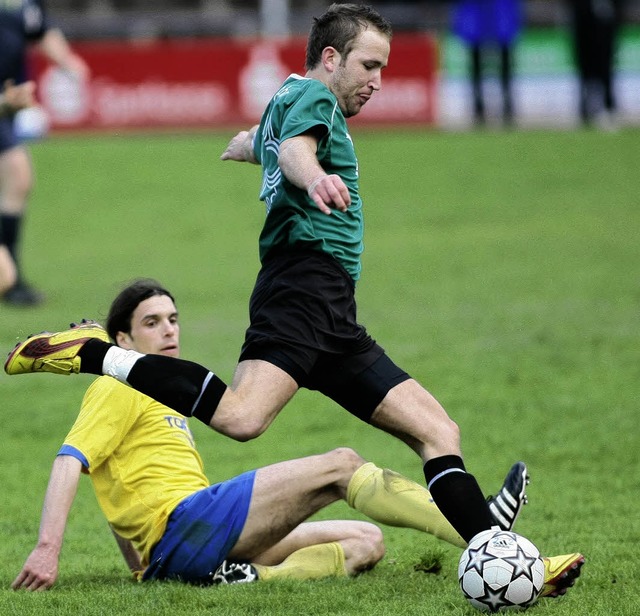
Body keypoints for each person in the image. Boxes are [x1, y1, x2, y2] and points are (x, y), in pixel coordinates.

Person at [5, 4, 584, 597]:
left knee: (439, 431)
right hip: (301, 290)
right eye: (369, 65)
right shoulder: (315, 99)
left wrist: (251, 145)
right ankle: (97, 354)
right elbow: (296, 152)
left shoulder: (293, 99)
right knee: (242, 418)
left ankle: (517, 567)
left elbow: (278, 143)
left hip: (333, 311)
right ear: (330, 58)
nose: (377, 81)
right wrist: (309, 176)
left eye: (384, 68)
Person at [12, 278, 520, 590]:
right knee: (341, 463)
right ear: (121, 340)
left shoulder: (164, 395)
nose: (169, 331)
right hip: (186, 527)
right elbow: (70, 460)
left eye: (173, 319)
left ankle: (251, 578)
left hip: (189, 543)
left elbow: (122, 485)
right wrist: (47, 547)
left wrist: (142, 567)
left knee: (366, 541)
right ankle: (480, 531)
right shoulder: (118, 387)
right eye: (151, 323)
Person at [0, 0, 89, 306]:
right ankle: (10, 280)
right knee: (17, 174)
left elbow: (40, 30)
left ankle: (11, 277)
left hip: (4, 108)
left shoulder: (24, 5)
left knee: (18, 179)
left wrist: (68, 62)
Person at [452, 0, 522, 126]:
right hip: (477, 12)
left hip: (499, 10)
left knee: (504, 62)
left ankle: (507, 107)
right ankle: (479, 108)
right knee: (477, 63)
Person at [565, 0, 624, 128]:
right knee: (584, 67)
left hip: (605, 25)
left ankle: (609, 107)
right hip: (582, 22)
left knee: (605, 66)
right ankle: (585, 109)